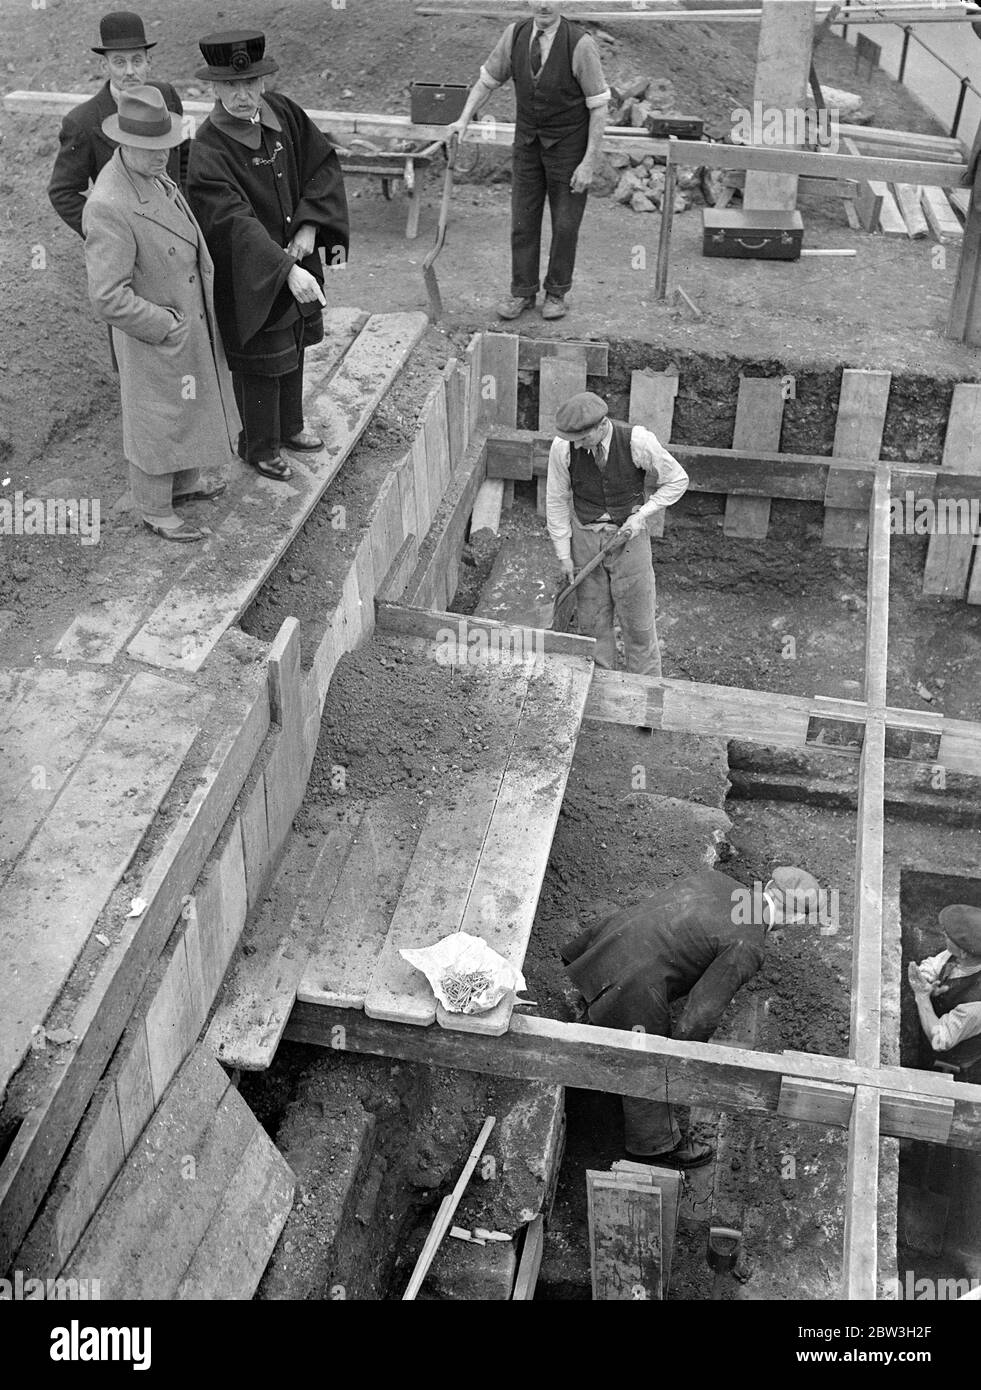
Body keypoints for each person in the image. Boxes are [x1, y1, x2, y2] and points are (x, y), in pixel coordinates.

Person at [562, 866, 823, 1166]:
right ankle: (656, 1146)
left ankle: (596, 1030)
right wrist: (679, 1059)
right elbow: (700, 1015)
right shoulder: (747, 943)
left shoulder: (719, 880)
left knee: (636, 1022)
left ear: (767, 886)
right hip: (635, 983)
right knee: (652, 1059)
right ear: (793, 917)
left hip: (612, 943)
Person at [186, 29, 350, 483]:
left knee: (293, 341)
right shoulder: (208, 148)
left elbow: (321, 166)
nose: (243, 95)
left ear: (263, 81)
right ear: (214, 88)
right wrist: (284, 269)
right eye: (231, 86)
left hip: (298, 256)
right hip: (250, 276)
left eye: (250, 83)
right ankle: (259, 446)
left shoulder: (284, 113)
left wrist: (311, 224)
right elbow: (232, 221)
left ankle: (291, 425)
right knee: (261, 355)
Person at [82, 86, 239, 542]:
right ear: (123, 143)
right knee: (157, 416)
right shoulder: (110, 205)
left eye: (167, 146)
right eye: (152, 149)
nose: (163, 157)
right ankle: (153, 509)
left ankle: (183, 487)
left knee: (186, 405)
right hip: (155, 333)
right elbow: (107, 296)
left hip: (184, 319)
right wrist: (164, 324)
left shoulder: (152, 176)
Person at [448, 2, 609, 321]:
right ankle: (522, 292)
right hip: (527, 144)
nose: (544, 4)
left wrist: (588, 162)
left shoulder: (580, 44)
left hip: (568, 147)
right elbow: (487, 80)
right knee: (522, 220)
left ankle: (557, 293)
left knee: (565, 224)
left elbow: (599, 106)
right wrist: (463, 120)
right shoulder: (515, 34)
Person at [545, 391, 688, 677]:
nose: (579, 445)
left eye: (584, 438)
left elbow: (677, 479)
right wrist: (564, 554)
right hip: (586, 538)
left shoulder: (637, 441)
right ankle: (598, 692)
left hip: (629, 541)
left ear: (601, 426)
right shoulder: (563, 447)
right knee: (592, 625)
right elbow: (556, 499)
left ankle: (644, 703)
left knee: (639, 625)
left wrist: (642, 515)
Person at [48, 11, 187, 238]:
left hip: (176, 227)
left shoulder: (166, 96)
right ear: (105, 67)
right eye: (120, 62)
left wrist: (184, 207)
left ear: (148, 63)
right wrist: (108, 232)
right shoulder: (82, 122)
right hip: (130, 239)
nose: (130, 71)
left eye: (137, 60)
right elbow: (63, 192)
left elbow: (185, 155)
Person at [908, 904, 981, 1083]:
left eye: (948, 936)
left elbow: (940, 1039)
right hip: (937, 1025)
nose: (944, 935)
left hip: (952, 1058)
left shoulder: (976, 1006)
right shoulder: (960, 956)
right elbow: (933, 964)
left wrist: (922, 997)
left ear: (963, 952)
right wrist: (928, 980)